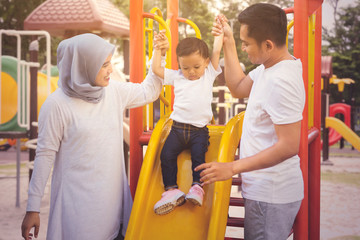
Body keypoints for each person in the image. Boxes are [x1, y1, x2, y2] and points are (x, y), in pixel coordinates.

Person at [21, 33, 167, 240]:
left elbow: (149, 91)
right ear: (83, 65)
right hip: (78, 211)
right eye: (104, 64)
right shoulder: (56, 105)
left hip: (112, 205)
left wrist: (158, 54)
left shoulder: (112, 92)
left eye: (110, 63)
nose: (111, 70)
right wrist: (32, 208)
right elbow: (44, 156)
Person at [196, 3, 305, 240]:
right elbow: (237, 87)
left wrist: (232, 168)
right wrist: (229, 42)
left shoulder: (281, 80)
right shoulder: (269, 68)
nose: (244, 48)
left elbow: (289, 145)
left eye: (246, 43)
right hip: (264, 189)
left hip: (271, 193)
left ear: (268, 44)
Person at [151, 30, 223, 215]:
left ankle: (197, 187)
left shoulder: (209, 74)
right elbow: (156, 70)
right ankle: (171, 190)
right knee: (166, 156)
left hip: (199, 131)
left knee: (199, 159)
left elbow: (216, 51)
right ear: (180, 65)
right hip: (177, 129)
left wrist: (219, 34)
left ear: (206, 62)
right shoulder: (177, 76)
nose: (191, 72)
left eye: (196, 67)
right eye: (185, 67)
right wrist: (158, 49)